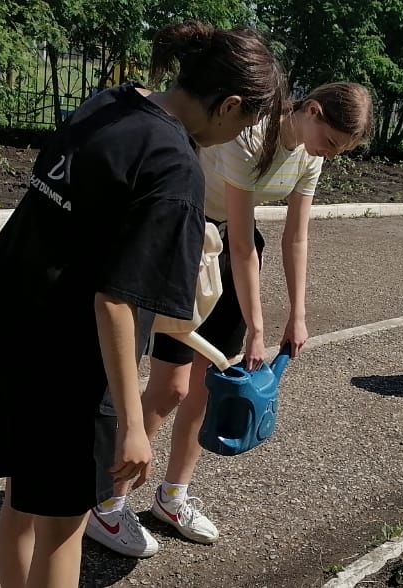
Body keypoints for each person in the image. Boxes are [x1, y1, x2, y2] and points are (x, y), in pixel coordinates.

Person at [0, 22, 285, 587]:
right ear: (228, 105)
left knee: (20, 502)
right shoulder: (175, 167)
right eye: (247, 122)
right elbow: (115, 299)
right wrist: (134, 425)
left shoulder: (110, 103)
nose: (240, 136)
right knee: (62, 526)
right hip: (63, 361)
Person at [84, 81, 374, 556]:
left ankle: (171, 496)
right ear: (313, 110)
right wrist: (258, 329)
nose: (332, 154)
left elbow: (295, 237)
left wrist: (297, 315)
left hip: (234, 257)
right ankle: (109, 504)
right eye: (332, 142)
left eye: (340, 150)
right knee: (172, 387)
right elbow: (239, 241)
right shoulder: (250, 132)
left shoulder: (310, 156)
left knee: (211, 385)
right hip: (190, 247)